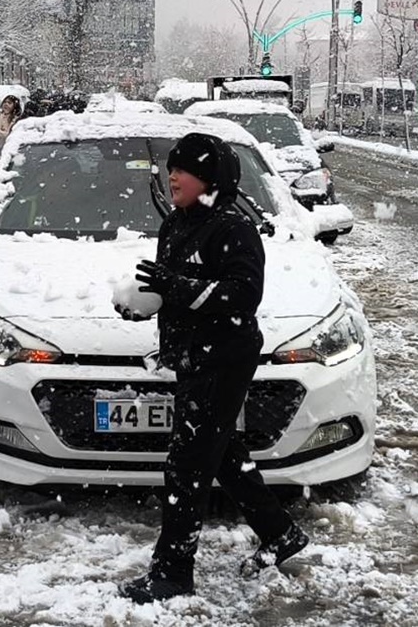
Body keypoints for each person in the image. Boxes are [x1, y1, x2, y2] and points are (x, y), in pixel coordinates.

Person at [117, 132, 307, 604]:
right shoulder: (176, 225)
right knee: (221, 455)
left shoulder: (232, 228)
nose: (172, 175)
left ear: (212, 178)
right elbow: (174, 292)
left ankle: (172, 574)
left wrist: (176, 287)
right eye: (171, 167)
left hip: (224, 359)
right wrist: (142, 304)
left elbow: (243, 295)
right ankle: (280, 532)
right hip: (191, 358)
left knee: (186, 467)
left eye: (184, 169)